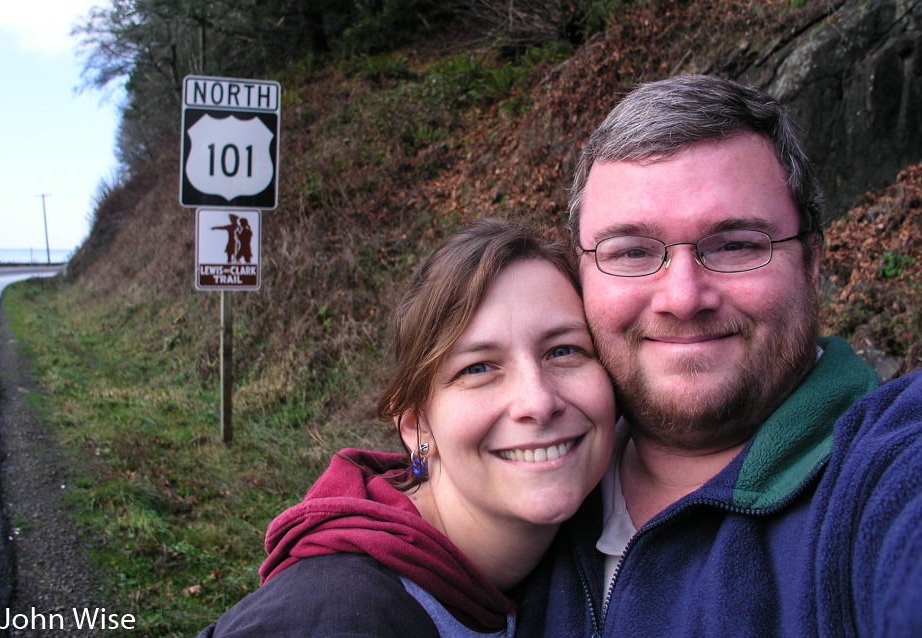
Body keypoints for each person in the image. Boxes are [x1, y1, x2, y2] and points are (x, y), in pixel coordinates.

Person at [513, 74, 922, 637]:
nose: (682, 298)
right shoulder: (531, 476)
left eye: (735, 245)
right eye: (631, 251)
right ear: (579, 278)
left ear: (813, 263)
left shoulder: (885, 470)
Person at [199, 218, 616, 637]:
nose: (539, 402)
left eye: (564, 350)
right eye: (478, 368)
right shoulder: (336, 616)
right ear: (418, 429)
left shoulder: (587, 545)